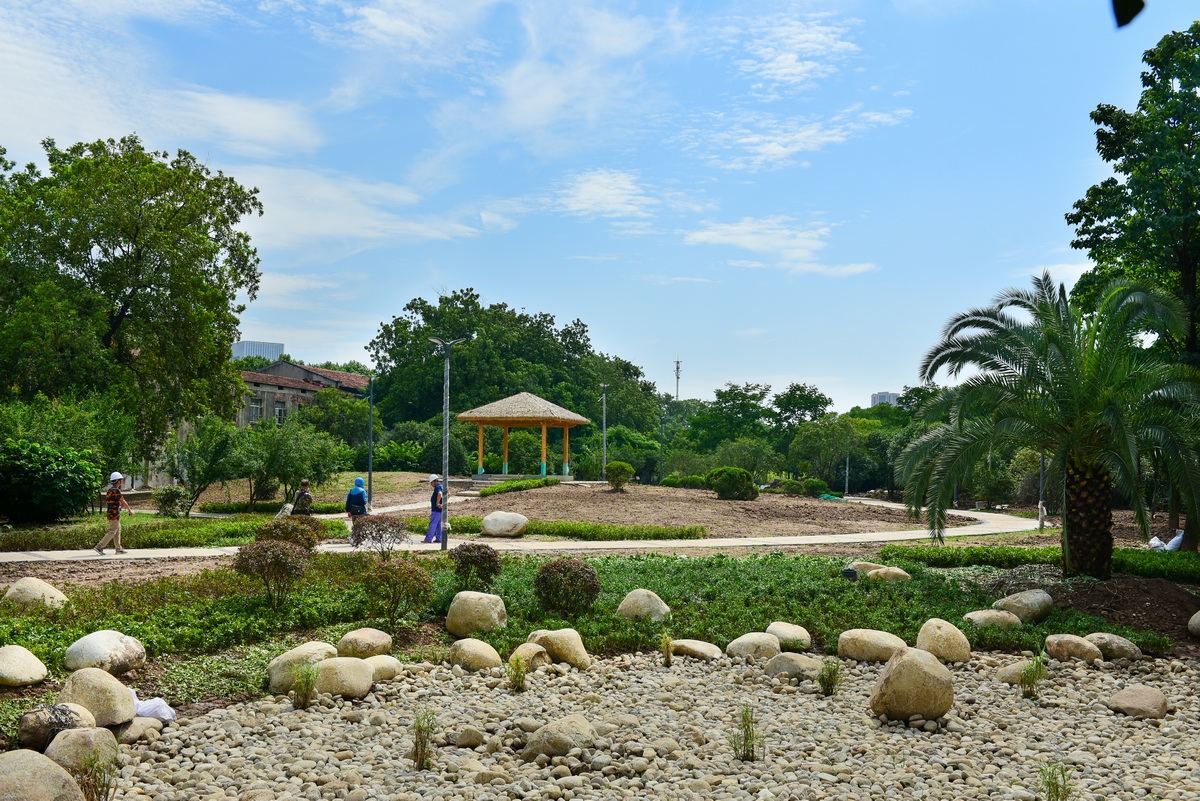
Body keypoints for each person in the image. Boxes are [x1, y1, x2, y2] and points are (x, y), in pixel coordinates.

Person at [94, 472, 134, 555]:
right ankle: (99, 546)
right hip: (114, 514)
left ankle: (118, 549)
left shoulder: (110, 490)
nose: (121, 482)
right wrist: (130, 510)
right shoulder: (116, 490)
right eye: (120, 480)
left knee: (117, 530)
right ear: (118, 481)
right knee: (113, 531)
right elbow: (122, 501)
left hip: (111, 513)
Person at [345, 476, 369, 544]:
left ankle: (356, 539)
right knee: (360, 525)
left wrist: (348, 511)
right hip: (361, 511)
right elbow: (364, 501)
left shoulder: (351, 490)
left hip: (353, 511)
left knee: (355, 525)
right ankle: (355, 538)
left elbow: (348, 502)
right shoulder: (362, 491)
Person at [423, 474, 443, 544]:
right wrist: (443, 502)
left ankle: (428, 539)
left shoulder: (437, 487)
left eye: (431, 483)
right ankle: (439, 538)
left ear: (434, 481)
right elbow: (449, 493)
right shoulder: (442, 486)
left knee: (433, 524)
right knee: (438, 525)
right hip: (440, 510)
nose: (431, 484)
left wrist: (437, 503)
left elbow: (440, 494)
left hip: (436, 510)